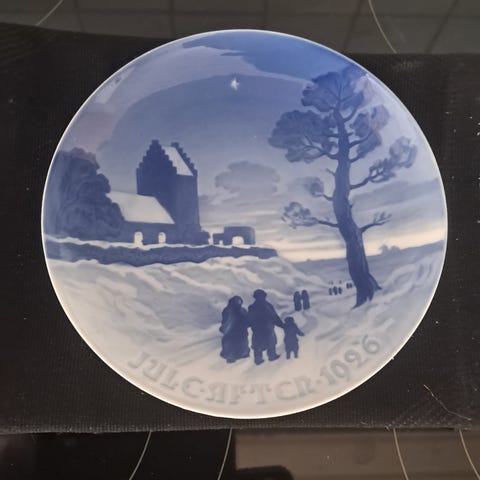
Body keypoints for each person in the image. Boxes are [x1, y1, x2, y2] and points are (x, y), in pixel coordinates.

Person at [247, 289, 284, 365]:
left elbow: (249, 319)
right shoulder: (267, 306)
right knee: (269, 342)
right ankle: (270, 356)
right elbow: (274, 317)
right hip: (266, 328)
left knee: (260, 344)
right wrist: (281, 325)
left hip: (260, 329)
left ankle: (260, 359)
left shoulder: (253, 307)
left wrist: (249, 325)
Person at [219, 296, 250, 363]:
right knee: (240, 342)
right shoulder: (242, 310)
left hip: (233, 332)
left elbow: (224, 321)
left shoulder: (227, 310)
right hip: (238, 333)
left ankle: (230, 355)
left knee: (229, 342)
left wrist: (223, 328)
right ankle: (242, 353)